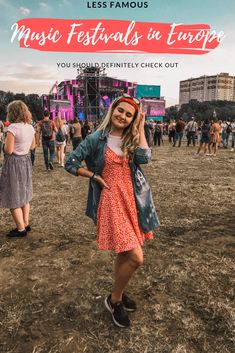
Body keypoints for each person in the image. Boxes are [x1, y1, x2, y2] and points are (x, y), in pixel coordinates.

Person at [65, 94, 159, 328]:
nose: (123, 116)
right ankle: (114, 300)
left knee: (124, 253)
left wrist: (140, 128)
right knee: (136, 257)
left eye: (129, 114)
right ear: (112, 110)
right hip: (111, 200)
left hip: (132, 199)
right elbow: (70, 163)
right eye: (121, 111)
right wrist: (94, 176)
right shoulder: (96, 138)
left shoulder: (131, 136)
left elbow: (145, 159)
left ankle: (119, 290)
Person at [0, 100, 35, 237]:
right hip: (25, 162)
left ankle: (20, 229)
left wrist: (3, 145)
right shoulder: (30, 127)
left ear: (12, 113)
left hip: (13, 163)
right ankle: (25, 223)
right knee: (24, 195)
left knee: (12, 195)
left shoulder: (12, 128)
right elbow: (32, 146)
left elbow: (8, 150)